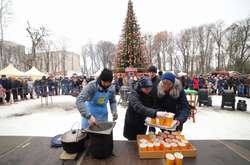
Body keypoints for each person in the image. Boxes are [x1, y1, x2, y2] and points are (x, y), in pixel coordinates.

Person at [123, 76, 169, 140]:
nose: (148, 91)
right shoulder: (134, 94)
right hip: (132, 125)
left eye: (150, 89)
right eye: (146, 89)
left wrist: (158, 113)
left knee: (141, 141)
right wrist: (156, 113)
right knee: (132, 144)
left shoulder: (149, 94)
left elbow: (152, 106)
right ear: (141, 87)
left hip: (142, 124)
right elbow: (139, 107)